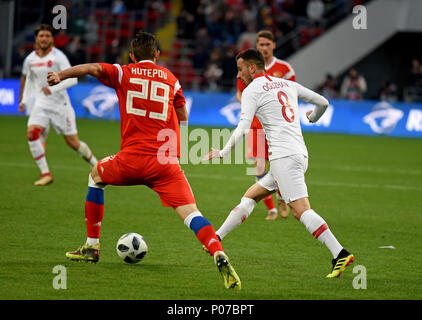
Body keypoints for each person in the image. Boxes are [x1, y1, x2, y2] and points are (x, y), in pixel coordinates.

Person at [47, 31, 241, 290]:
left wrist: (61, 75)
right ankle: (216, 250)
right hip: (165, 163)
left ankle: (92, 247)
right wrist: (176, 144)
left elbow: (93, 68)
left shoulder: (123, 73)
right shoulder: (171, 79)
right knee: (192, 213)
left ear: (131, 55)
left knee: (96, 176)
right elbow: (183, 113)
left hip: (131, 159)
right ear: (157, 55)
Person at [204, 49, 354, 278]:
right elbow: (323, 102)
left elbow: (243, 127)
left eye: (240, 69)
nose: (238, 75)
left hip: (284, 158)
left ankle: (340, 253)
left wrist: (223, 152)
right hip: (297, 155)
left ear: (252, 68)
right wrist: (312, 118)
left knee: (301, 210)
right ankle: (216, 238)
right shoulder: (286, 84)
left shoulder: (251, 90)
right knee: (251, 195)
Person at [19, 24, 97, 186]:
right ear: (36, 38)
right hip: (41, 103)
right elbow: (28, 81)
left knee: (73, 143)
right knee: (32, 134)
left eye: (47, 36)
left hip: (60, 105)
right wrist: (24, 100)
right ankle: (46, 173)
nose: (44, 38)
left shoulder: (58, 56)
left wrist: (53, 89)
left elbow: (73, 79)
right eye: (41, 36)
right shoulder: (30, 59)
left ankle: (97, 166)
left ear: (52, 39)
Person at [236, 30, 295, 221]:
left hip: (277, 126)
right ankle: (271, 209)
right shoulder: (249, 66)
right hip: (256, 126)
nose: (264, 48)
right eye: (260, 44)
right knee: (259, 166)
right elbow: (240, 92)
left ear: (274, 45)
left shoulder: (284, 68)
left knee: (279, 163)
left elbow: (291, 95)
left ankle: (281, 196)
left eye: (267, 44)